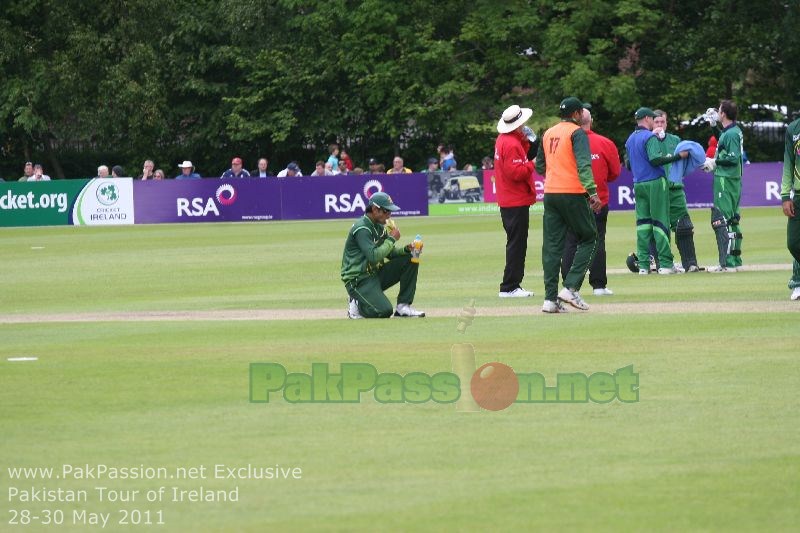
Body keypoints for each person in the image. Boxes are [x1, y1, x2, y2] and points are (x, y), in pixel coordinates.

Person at [535, 97, 601, 313]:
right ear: (577, 114)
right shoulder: (577, 133)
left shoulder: (548, 133)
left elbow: (540, 166)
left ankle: (549, 300)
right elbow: (583, 164)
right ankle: (571, 287)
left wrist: (556, 174)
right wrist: (592, 192)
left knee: (552, 247)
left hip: (551, 193)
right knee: (590, 237)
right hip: (572, 192)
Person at [561, 107, 620, 296]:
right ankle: (599, 286)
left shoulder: (565, 142)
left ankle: (569, 285)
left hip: (571, 199)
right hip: (598, 200)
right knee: (597, 241)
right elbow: (614, 173)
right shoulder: (605, 143)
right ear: (591, 121)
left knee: (570, 242)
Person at [341, 191, 425, 319]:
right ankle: (357, 303)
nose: (389, 215)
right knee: (384, 311)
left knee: (410, 258)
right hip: (358, 280)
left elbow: (390, 253)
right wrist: (391, 239)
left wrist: (407, 249)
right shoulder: (362, 228)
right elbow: (374, 256)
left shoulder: (379, 227)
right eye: (387, 211)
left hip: (375, 274)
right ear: (375, 209)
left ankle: (403, 307)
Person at [625, 107, 688, 275]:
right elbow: (655, 160)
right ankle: (666, 264)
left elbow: (628, 164)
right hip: (655, 182)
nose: (655, 121)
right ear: (647, 119)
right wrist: (677, 156)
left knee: (643, 225)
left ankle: (644, 266)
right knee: (660, 222)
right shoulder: (650, 137)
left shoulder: (630, 139)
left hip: (638, 184)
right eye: (653, 118)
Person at [494, 104, 537, 298]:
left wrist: (527, 141)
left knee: (516, 243)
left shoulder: (505, 140)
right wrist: (532, 164)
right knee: (517, 244)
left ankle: (512, 285)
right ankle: (510, 286)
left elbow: (519, 158)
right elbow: (516, 172)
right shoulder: (510, 143)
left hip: (510, 199)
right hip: (515, 199)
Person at [653, 109, 700, 272]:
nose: (659, 125)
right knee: (658, 227)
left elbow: (689, 158)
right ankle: (659, 264)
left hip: (675, 189)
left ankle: (691, 263)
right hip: (656, 190)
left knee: (684, 226)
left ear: (666, 123)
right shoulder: (647, 139)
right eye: (656, 122)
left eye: (662, 122)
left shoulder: (675, 140)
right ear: (652, 123)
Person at [708, 100, 744, 272]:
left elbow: (731, 157)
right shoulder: (731, 131)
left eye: (719, 111)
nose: (717, 112)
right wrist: (713, 125)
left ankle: (727, 262)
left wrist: (714, 162)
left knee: (723, 219)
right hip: (733, 179)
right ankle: (735, 259)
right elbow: (723, 139)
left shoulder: (731, 134)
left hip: (725, 178)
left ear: (723, 113)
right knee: (733, 219)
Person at [780, 115, 800, 300]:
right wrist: (785, 195)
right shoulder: (793, 129)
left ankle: (798, 282)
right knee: (793, 242)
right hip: (799, 195)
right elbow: (788, 163)